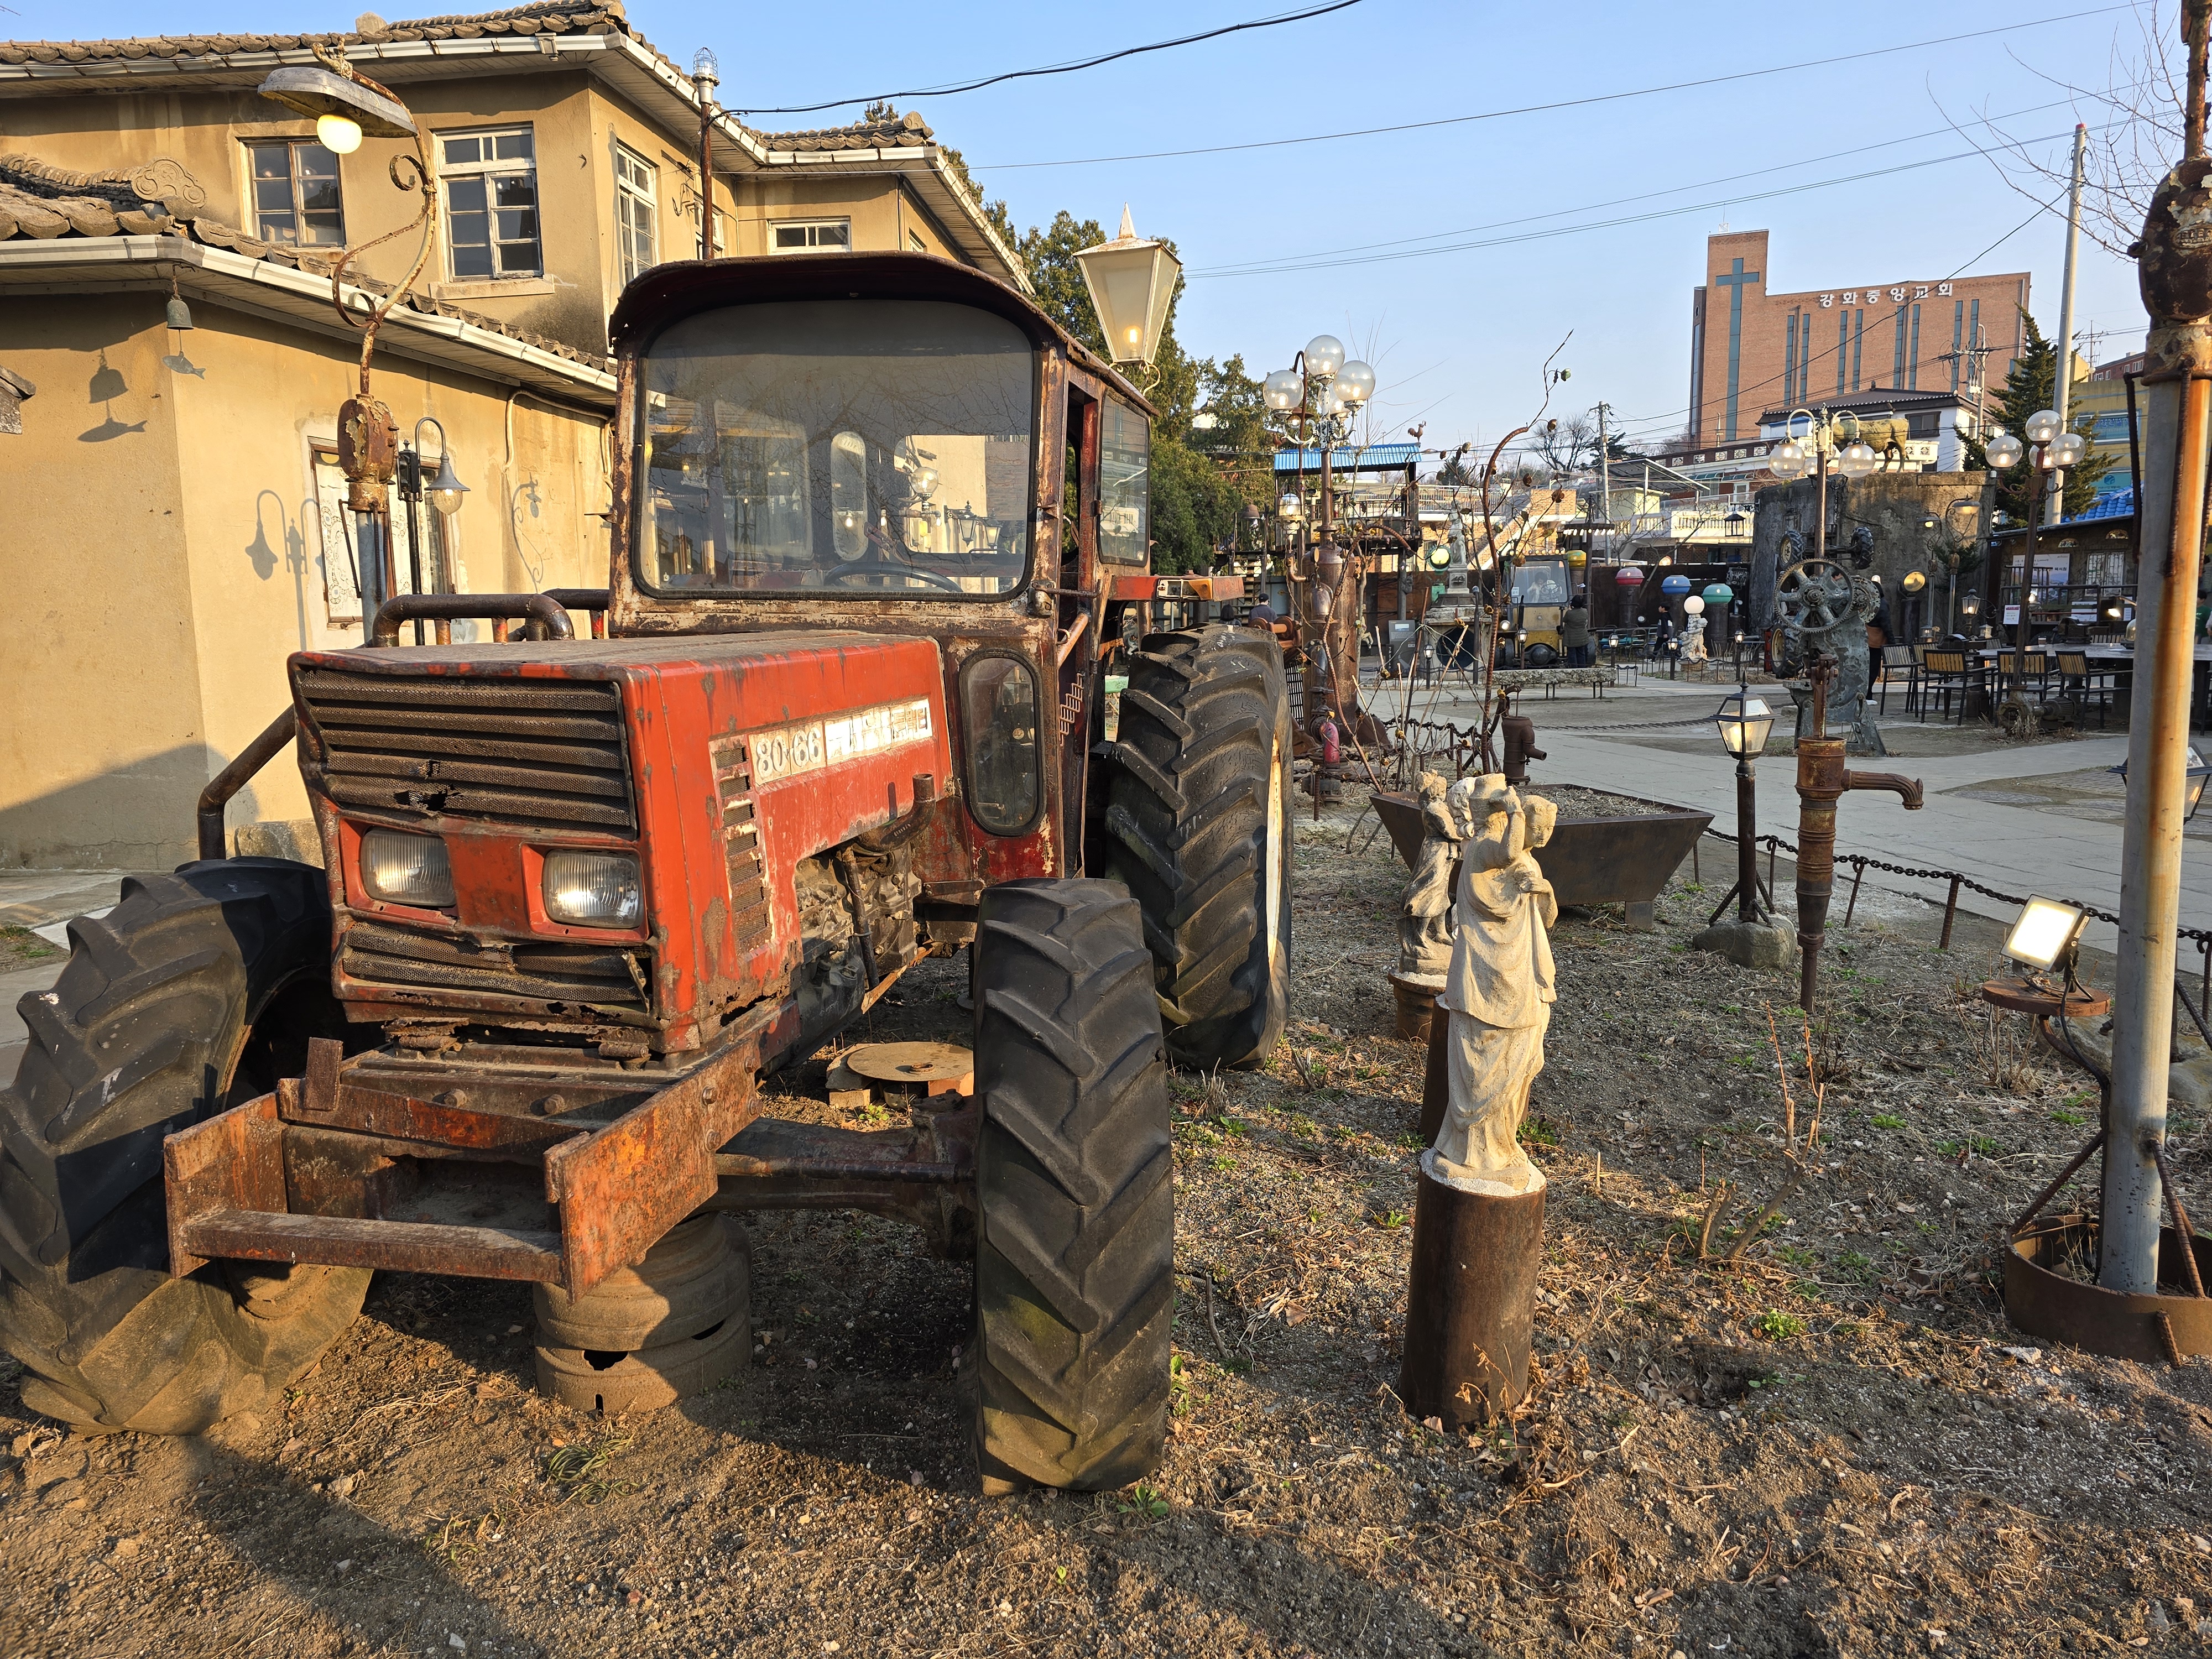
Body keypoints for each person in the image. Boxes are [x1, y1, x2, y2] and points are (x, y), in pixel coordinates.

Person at [1560, 591, 1592, 668]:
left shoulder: (1569, 613)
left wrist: (1570, 610)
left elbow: (1564, 620)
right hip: (1582, 637)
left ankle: (1574, 669)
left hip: (1572, 638)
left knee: (1572, 654)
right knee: (1581, 653)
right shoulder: (1585, 612)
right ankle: (1582, 669)